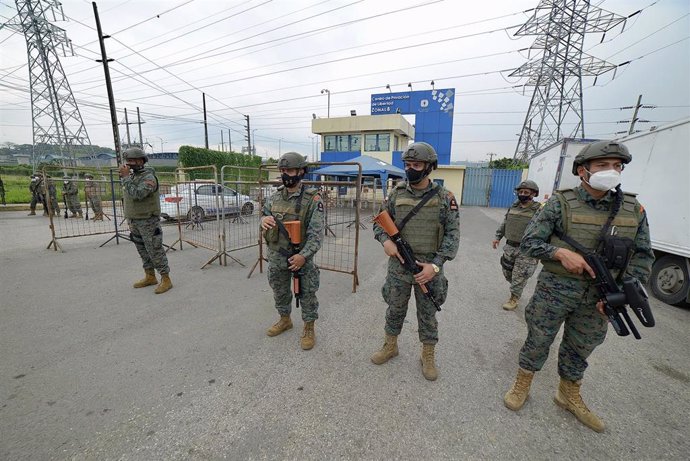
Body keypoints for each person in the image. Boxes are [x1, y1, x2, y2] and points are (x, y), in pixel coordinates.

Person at [503, 140, 654, 432]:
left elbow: (643, 256)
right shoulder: (559, 203)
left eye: (616, 166)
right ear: (582, 170)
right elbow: (531, 242)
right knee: (538, 339)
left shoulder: (634, 209)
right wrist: (559, 253)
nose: (611, 171)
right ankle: (523, 383)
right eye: (602, 165)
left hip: (601, 295)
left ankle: (568, 394)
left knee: (582, 346)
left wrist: (620, 296)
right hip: (555, 289)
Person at [370, 142, 460, 381]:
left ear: (429, 167)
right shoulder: (396, 193)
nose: (411, 169)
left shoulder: (445, 198)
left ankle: (427, 355)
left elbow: (453, 236)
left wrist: (436, 265)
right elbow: (379, 223)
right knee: (395, 308)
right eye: (408, 165)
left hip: (428, 269)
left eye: (417, 165)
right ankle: (391, 345)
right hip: (399, 266)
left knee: (428, 314)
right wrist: (385, 242)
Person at [260, 152, 324, 350]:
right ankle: (285, 319)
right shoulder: (274, 197)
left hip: (300, 257)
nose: (286, 174)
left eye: (289, 170)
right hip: (276, 257)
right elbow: (264, 216)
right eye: (283, 171)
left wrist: (303, 256)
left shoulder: (312, 199)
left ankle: (309, 327)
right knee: (279, 291)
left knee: (307, 294)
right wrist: (263, 220)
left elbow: (316, 234)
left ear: (301, 171)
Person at [119, 147, 172, 294]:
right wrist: (127, 178)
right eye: (127, 161)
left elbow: (138, 194)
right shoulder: (133, 176)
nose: (128, 164)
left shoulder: (148, 177)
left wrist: (125, 177)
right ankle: (150, 276)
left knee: (154, 250)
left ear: (141, 161)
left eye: (131, 161)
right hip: (135, 220)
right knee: (142, 250)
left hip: (148, 221)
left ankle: (166, 279)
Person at [492, 180, 542, 310]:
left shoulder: (539, 210)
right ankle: (517, 287)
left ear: (533, 194)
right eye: (520, 192)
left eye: (526, 192)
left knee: (519, 276)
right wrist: (498, 237)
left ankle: (514, 298)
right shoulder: (513, 207)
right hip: (510, 246)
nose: (522, 194)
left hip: (527, 249)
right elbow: (505, 223)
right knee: (507, 272)